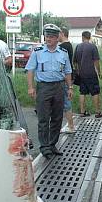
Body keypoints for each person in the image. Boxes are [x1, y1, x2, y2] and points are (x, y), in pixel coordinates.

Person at [25, 24, 73, 159]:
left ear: (58, 38)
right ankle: (44, 146)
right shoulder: (38, 51)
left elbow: (68, 71)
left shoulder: (63, 53)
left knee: (57, 118)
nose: (49, 39)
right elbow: (30, 70)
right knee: (43, 118)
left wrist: (70, 88)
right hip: (43, 87)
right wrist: (30, 87)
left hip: (59, 87)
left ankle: (52, 144)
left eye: (52, 36)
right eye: (47, 36)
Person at [73, 31, 102, 117]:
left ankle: (82, 112)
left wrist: (78, 70)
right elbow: (96, 61)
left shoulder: (78, 47)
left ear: (82, 37)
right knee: (95, 92)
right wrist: (99, 72)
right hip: (91, 73)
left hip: (81, 74)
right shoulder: (93, 47)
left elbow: (74, 62)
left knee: (82, 92)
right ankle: (97, 112)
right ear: (89, 37)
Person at [58, 27, 75, 133]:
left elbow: (62, 64)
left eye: (58, 34)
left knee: (65, 101)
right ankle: (70, 125)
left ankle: (71, 126)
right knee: (66, 100)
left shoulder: (63, 47)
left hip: (65, 77)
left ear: (62, 34)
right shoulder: (69, 45)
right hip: (69, 75)